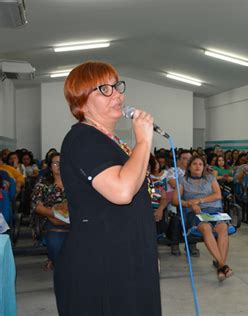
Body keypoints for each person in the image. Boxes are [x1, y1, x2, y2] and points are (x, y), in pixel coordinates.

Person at [56, 61, 161, 315]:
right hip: (101, 265)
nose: (117, 94)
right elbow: (122, 192)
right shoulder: (83, 138)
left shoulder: (109, 141)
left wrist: (146, 253)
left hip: (127, 257)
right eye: (104, 89)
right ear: (80, 101)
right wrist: (144, 140)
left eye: (117, 86)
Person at [173, 156, 233, 281]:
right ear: (189, 167)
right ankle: (222, 265)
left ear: (204, 166)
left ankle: (220, 266)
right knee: (206, 227)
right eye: (194, 163)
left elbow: (218, 195)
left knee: (222, 227)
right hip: (195, 213)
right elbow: (175, 200)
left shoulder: (210, 178)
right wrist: (189, 204)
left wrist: (200, 200)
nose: (197, 166)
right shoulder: (183, 180)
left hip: (214, 211)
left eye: (200, 164)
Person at [31, 153, 69, 269]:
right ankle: (57, 263)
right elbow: (37, 206)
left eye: (61, 162)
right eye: (55, 163)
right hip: (50, 220)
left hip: (74, 219)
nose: (59, 165)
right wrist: (56, 215)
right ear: (50, 166)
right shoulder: (43, 184)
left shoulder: (74, 183)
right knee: (56, 243)